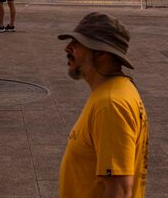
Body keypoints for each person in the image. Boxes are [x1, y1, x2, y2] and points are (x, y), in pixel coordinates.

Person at [59, 12, 148, 198]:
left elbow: (120, 191)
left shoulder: (110, 105)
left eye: (77, 44)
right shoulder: (115, 90)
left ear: (101, 53)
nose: (68, 48)